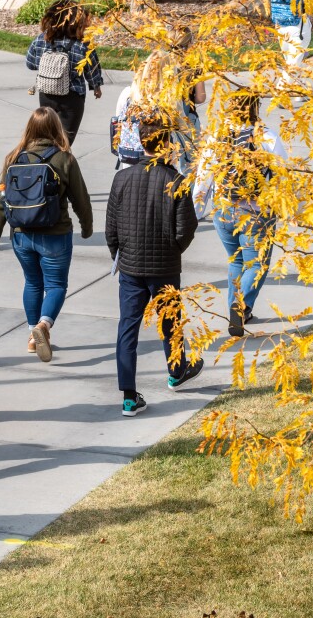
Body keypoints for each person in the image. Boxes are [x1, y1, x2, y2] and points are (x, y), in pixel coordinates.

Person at [105, 112, 202, 416]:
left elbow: (111, 229)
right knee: (170, 322)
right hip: (165, 267)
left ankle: (129, 396)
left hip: (131, 269)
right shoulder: (175, 180)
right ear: (167, 144)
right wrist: (173, 250)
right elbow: (186, 229)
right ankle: (176, 371)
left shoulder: (121, 178)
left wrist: (121, 254)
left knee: (127, 328)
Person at [0, 108, 93, 361]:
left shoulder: (13, 157)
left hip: (21, 235)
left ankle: (32, 337)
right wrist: (87, 227)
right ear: (56, 128)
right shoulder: (64, 159)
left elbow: (1, 201)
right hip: (55, 234)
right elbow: (81, 199)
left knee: (32, 282)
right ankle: (43, 326)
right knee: (56, 285)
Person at [193, 91, 287, 336]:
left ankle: (240, 312)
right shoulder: (266, 136)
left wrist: (197, 210)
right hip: (256, 213)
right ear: (256, 108)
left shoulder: (217, 137)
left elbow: (203, 178)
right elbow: (283, 176)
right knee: (257, 264)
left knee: (235, 261)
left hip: (224, 211)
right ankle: (240, 304)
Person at [25, 0, 103, 146]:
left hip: (46, 94)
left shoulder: (42, 39)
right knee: (64, 141)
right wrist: (96, 86)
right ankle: (59, 164)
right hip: (71, 98)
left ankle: (44, 162)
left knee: (46, 138)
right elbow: (92, 69)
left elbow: (30, 63)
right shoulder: (82, 44)